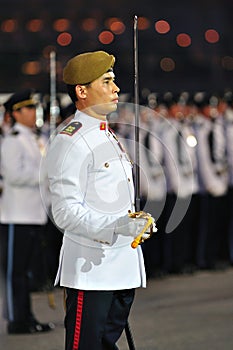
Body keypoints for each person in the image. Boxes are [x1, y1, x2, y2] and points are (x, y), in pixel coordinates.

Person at [47, 50, 155, 350]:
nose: (115, 88)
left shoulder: (106, 134)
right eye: (106, 81)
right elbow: (65, 211)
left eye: (114, 81)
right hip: (91, 271)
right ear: (82, 91)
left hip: (120, 267)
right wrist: (118, 226)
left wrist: (134, 222)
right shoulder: (72, 140)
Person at [0, 89, 54, 334]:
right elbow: (14, 175)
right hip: (16, 215)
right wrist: (44, 175)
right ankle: (16, 319)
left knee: (27, 272)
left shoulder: (35, 139)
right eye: (28, 109)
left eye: (33, 108)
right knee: (16, 273)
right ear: (15, 113)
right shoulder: (12, 140)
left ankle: (27, 317)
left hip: (34, 213)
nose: (33, 113)